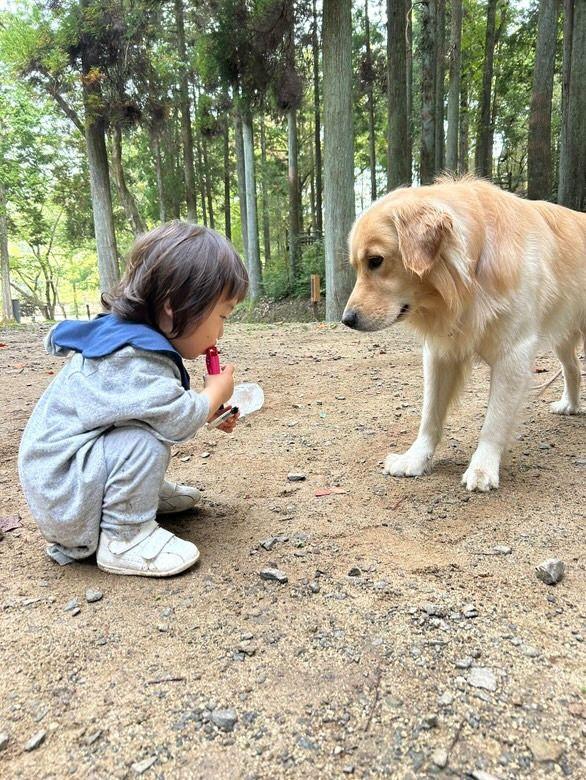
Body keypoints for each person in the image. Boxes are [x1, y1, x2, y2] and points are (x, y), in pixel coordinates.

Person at [18, 222, 248, 577]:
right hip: (66, 495)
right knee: (143, 440)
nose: (220, 331)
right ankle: (126, 536)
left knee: (144, 429)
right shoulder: (132, 357)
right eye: (221, 316)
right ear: (174, 306)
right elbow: (175, 419)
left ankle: (138, 495)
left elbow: (158, 405)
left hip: (69, 483)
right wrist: (214, 392)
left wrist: (207, 408)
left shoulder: (132, 343)